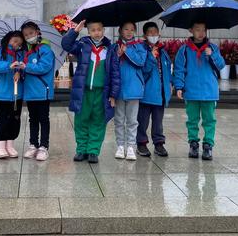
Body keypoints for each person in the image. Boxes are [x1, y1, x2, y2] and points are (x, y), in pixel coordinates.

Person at [61, 19, 120, 164]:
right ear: (88, 31)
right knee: (81, 120)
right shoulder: (82, 46)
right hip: (83, 91)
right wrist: (75, 31)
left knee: (98, 121)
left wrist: (113, 94)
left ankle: (93, 150)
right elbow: (66, 44)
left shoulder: (110, 49)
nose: (96, 32)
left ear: (103, 30)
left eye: (99, 29)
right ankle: (81, 149)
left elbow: (115, 73)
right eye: (93, 30)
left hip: (102, 92)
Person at [172, 21, 225, 160]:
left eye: (203, 30)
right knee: (192, 120)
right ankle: (193, 143)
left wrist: (212, 55)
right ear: (191, 30)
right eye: (197, 30)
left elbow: (220, 65)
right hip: (191, 91)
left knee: (209, 120)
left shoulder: (213, 48)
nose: (201, 33)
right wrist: (179, 86)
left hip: (209, 91)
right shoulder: (184, 50)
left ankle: (208, 146)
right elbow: (179, 69)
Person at [19, 21, 55, 161]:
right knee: (32, 119)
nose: (29, 36)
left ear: (38, 32)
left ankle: (44, 146)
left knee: (43, 119)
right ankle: (33, 144)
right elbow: (24, 69)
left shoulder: (45, 49)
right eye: (26, 35)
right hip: (30, 92)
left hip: (42, 91)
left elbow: (44, 67)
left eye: (31, 33)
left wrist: (26, 67)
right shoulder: (26, 52)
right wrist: (20, 70)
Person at [0, 30, 26, 159]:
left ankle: (10, 145)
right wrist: (9, 65)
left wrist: (19, 72)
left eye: (19, 43)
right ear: (8, 39)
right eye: (15, 41)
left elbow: (24, 68)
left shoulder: (20, 54)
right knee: (2, 120)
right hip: (2, 93)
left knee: (14, 119)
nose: (16, 45)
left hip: (16, 94)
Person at [136, 22, 172, 158]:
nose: (153, 35)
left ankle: (159, 143)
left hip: (160, 93)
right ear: (145, 35)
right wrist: (151, 56)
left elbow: (167, 69)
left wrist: (170, 83)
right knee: (142, 121)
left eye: (155, 32)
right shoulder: (141, 50)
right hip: (146, 93)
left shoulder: (163, 51)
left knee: (158, 122)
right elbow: (143, 71)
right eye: (150, 33)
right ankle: (141, 143)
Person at [113, 21, 147, 160]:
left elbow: (140, 62)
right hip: (119, 89)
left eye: (132, 29)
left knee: (132, 121)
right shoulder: (114, 47)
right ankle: (120, 145)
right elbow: (110, 66)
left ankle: (131, 147)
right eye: (126, 29)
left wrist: (127, 51)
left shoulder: (139, 46)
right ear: (120, 30)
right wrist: (117, 55)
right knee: (119, 120)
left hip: (134, 89)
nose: (129, 32)